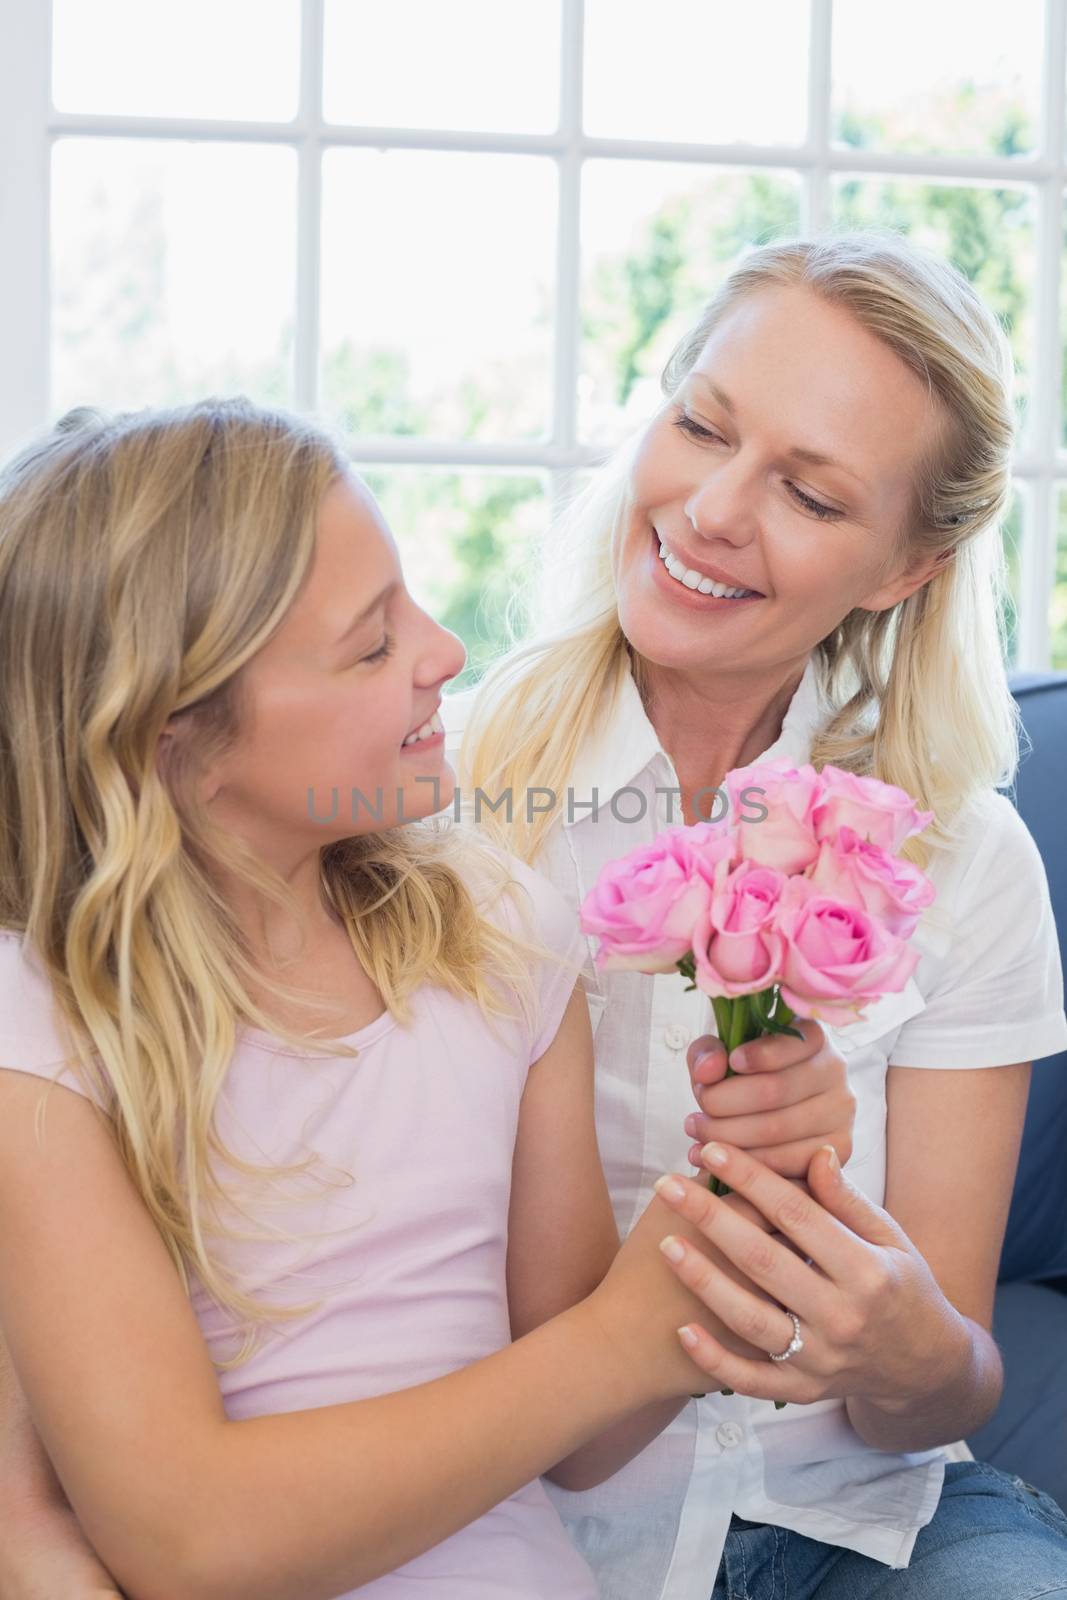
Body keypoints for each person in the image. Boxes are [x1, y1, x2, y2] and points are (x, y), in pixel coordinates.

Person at [0, 399, 857, 1600]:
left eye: (408, 599)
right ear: (170, 740)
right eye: (368, 644)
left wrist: (739, 1204)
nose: (445, 650)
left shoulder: (497, 937)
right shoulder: (44, 1030)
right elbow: (187, 1538)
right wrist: (607, 1346)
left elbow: (582, 1446)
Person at [444, 233, 1067, 1598]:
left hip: (868, 1524)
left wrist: (905, 1346)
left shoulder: (959, 859)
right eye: (699, 425)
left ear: (903, 567)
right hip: (536, 1525)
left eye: (808, 492)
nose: (713, 510)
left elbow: (942, 1390)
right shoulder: (452, 801)